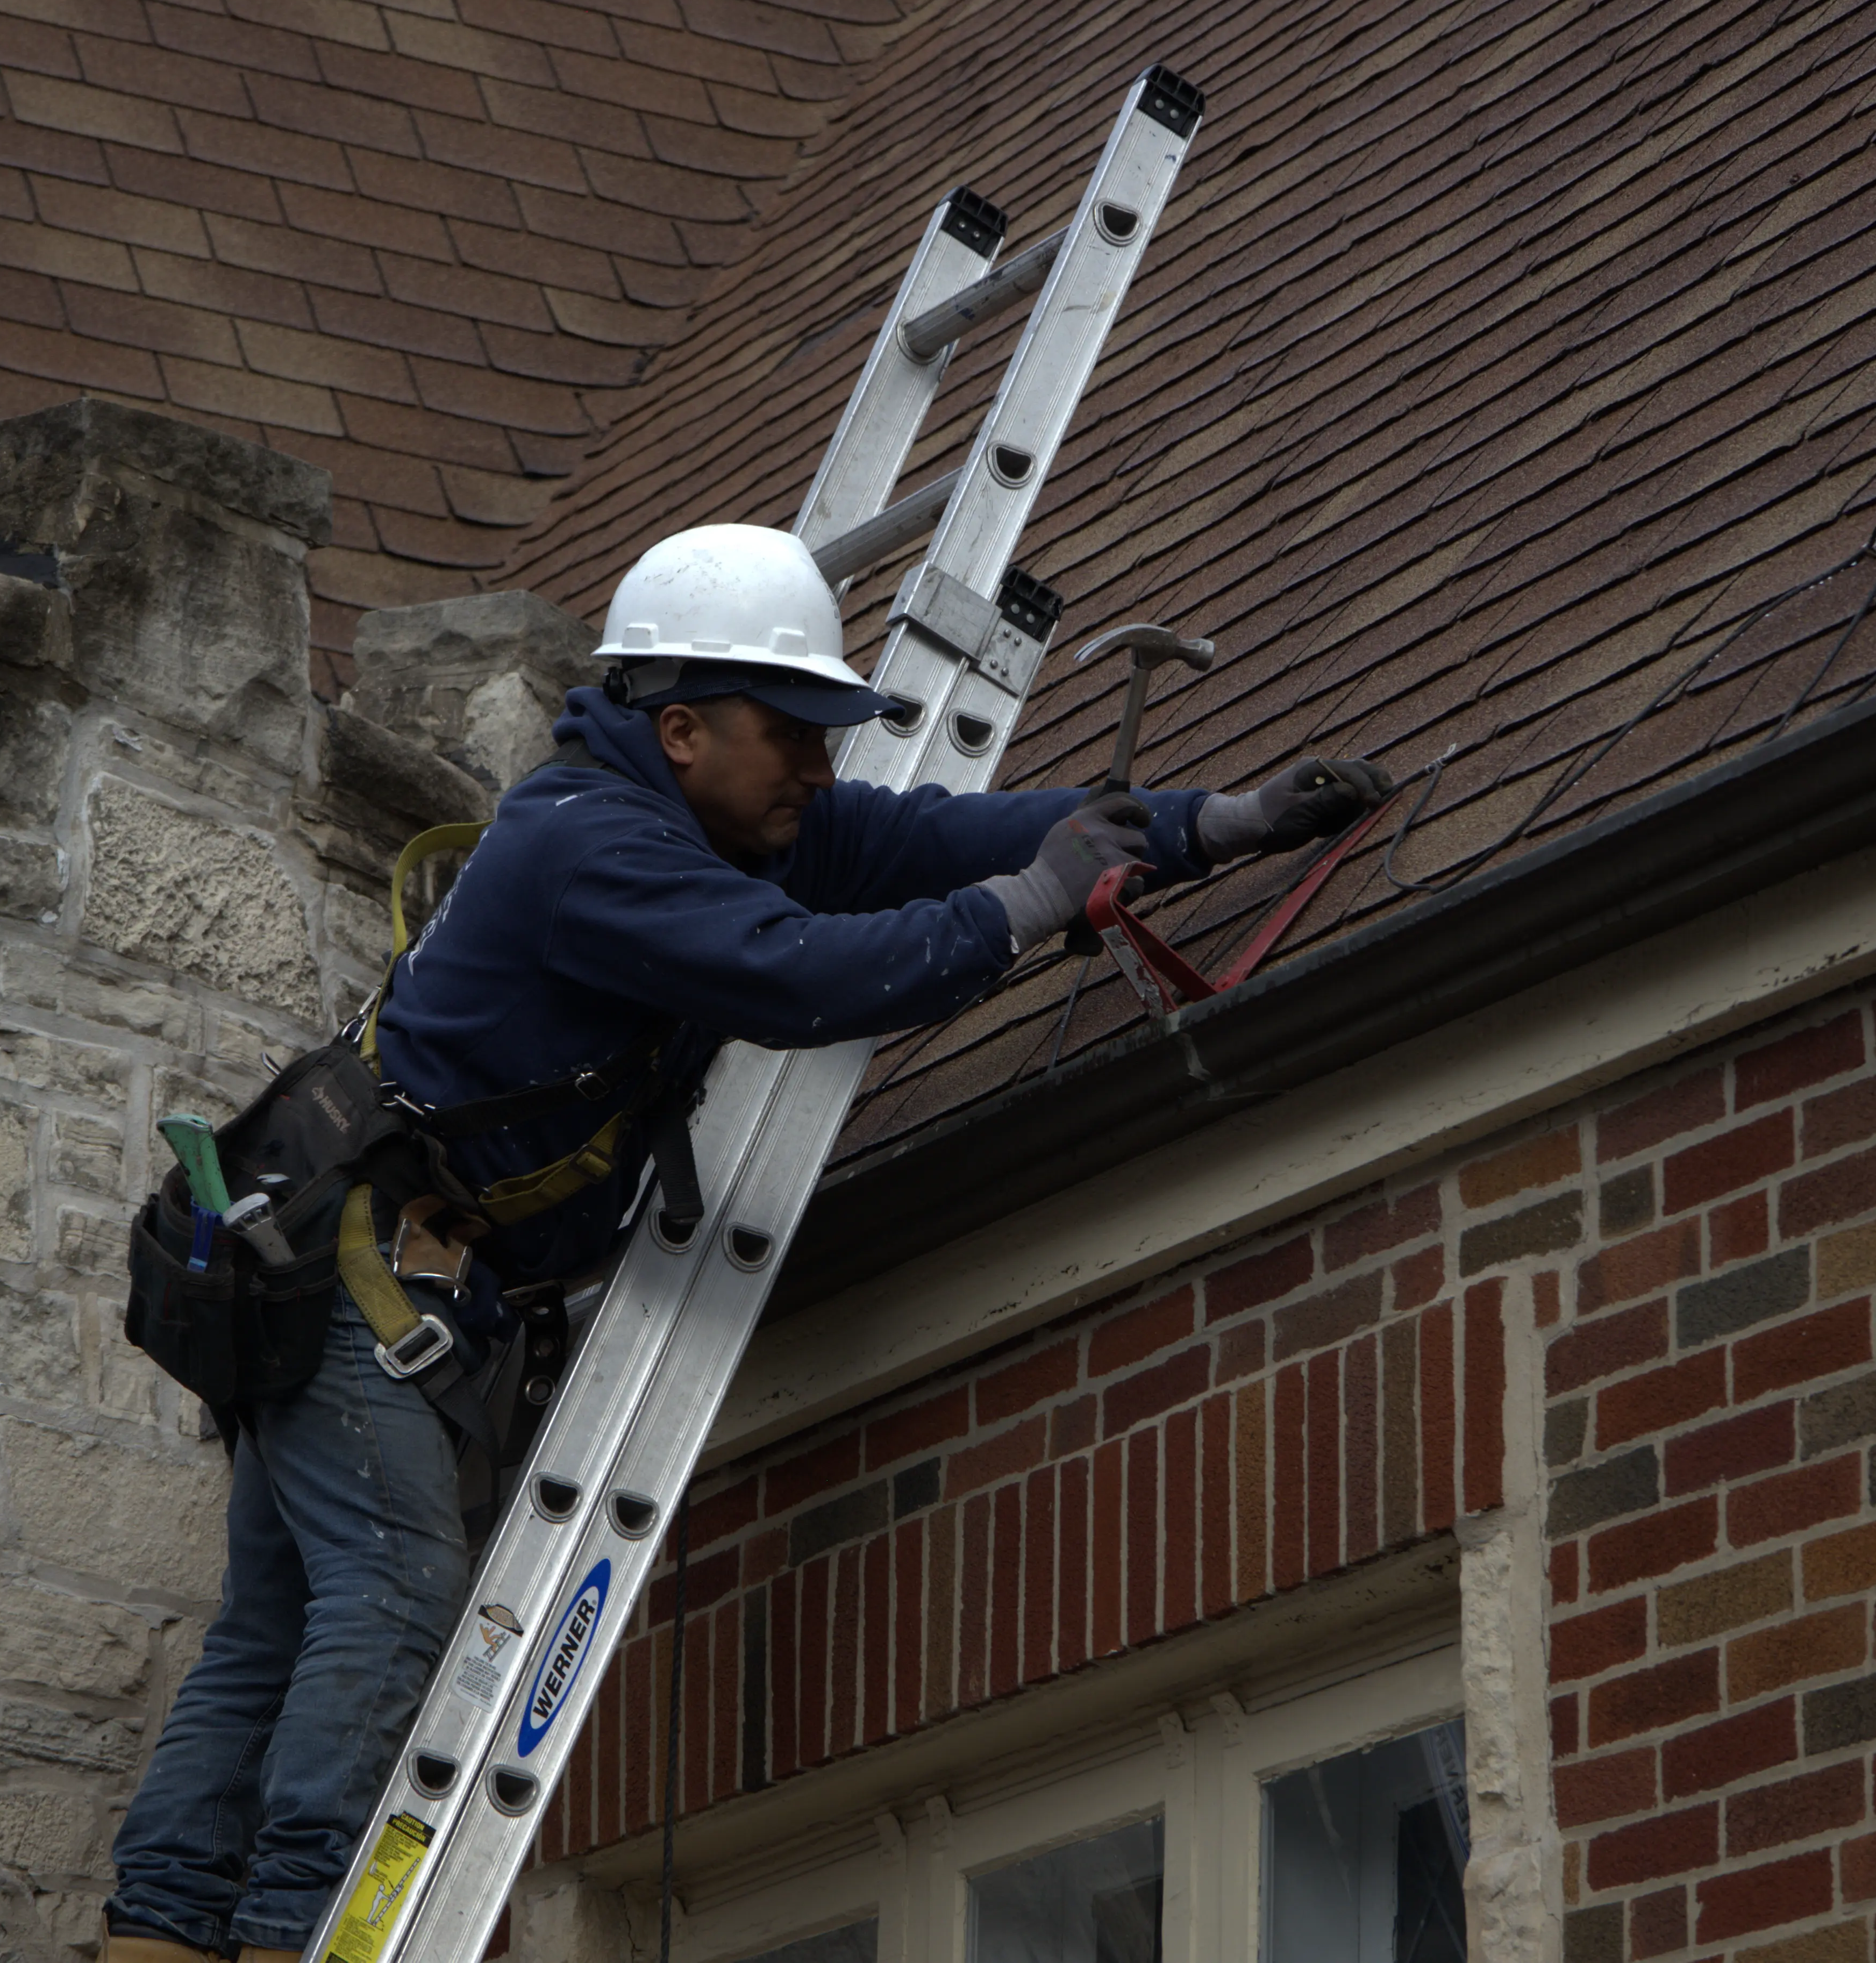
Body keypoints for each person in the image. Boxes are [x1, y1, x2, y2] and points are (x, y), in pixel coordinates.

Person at [102, 524, 1389, 1962]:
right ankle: (292, 1934)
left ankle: (162, 1936)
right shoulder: (587, 843)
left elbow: (916, 843)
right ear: (682, 728)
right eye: (793, 735)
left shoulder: (706, 816)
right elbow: (797, 976)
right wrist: (1028, 909)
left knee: (271, 1625)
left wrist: (1202, 823)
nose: (818, 770)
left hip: (343, 1256)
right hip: (366, 1270)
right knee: (392, 1598)